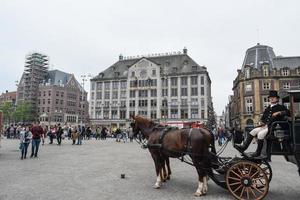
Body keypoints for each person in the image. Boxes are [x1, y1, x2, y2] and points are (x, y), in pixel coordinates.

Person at [235, 90, 290, 157]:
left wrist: (279, 113)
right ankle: (244, 147)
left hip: (274, 127)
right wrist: (261, 122)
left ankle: (258, 152)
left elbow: (288, 112)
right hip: (266, 126)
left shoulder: (280, 107)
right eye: (270, 98)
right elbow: (263, 118)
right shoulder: (268, 108)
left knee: (260, 134)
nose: (271, 99)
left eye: (273, 97)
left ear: (277, 99)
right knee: (253, 131)